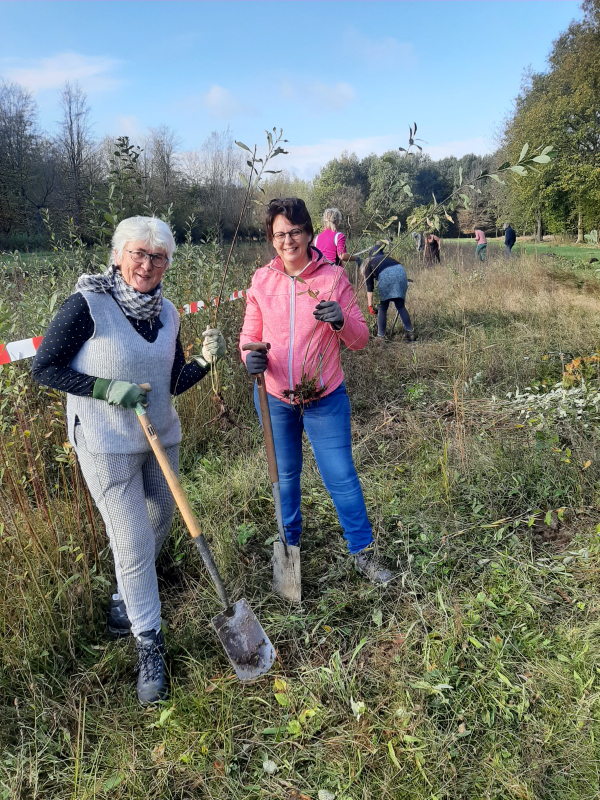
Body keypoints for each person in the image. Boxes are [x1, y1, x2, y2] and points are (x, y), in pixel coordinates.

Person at [32, 216, 226, 705]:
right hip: (106, 445)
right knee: (135, 542)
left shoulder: (168, 314)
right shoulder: (87, 305)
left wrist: (203, 362)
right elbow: (44, 367)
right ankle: (149, 644)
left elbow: (173, 381)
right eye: (137, 254)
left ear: (167, 265)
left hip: (161, 438)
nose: (146, 265)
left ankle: (125, 597)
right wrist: (103, 388)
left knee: (160, 522)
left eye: (157, 257)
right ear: (118, 255)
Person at [240, 197, 391, 585]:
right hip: (275, 398)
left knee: (340, 475)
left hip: (325, 397)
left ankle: (363, 552)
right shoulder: (262, 280)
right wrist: (249, 359)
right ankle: (289, 552)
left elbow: (359, 340)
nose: (287, 240)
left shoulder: (332, 279)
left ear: (308, 232)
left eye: (294, 232)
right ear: (271, 238)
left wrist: (342, 321)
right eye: (279, 234)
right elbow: (249, 337)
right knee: (285, 478)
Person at [363, 241, 415, 342]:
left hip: (386, 275)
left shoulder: (369, 263)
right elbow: (396, 270)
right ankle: (410, 332)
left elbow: (370, 287)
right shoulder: (389, 258)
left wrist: (370, 305)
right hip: (401, 272)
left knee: (383, 308)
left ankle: (380, 337)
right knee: (400, 306)